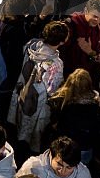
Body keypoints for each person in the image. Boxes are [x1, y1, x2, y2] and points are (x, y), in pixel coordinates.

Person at [8, 20, 69, 153]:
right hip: (38, 103)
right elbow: (52, 90)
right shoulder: (56, 63)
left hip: (22, 92)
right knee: (33, 135)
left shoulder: (32, 46)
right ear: (62, 41)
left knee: (20, 125)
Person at [18, 136, 93, 178]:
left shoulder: (83, 175)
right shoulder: (33, 166)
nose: (63, 171)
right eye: (59, 165)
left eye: (69, 168)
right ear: (51, 155)